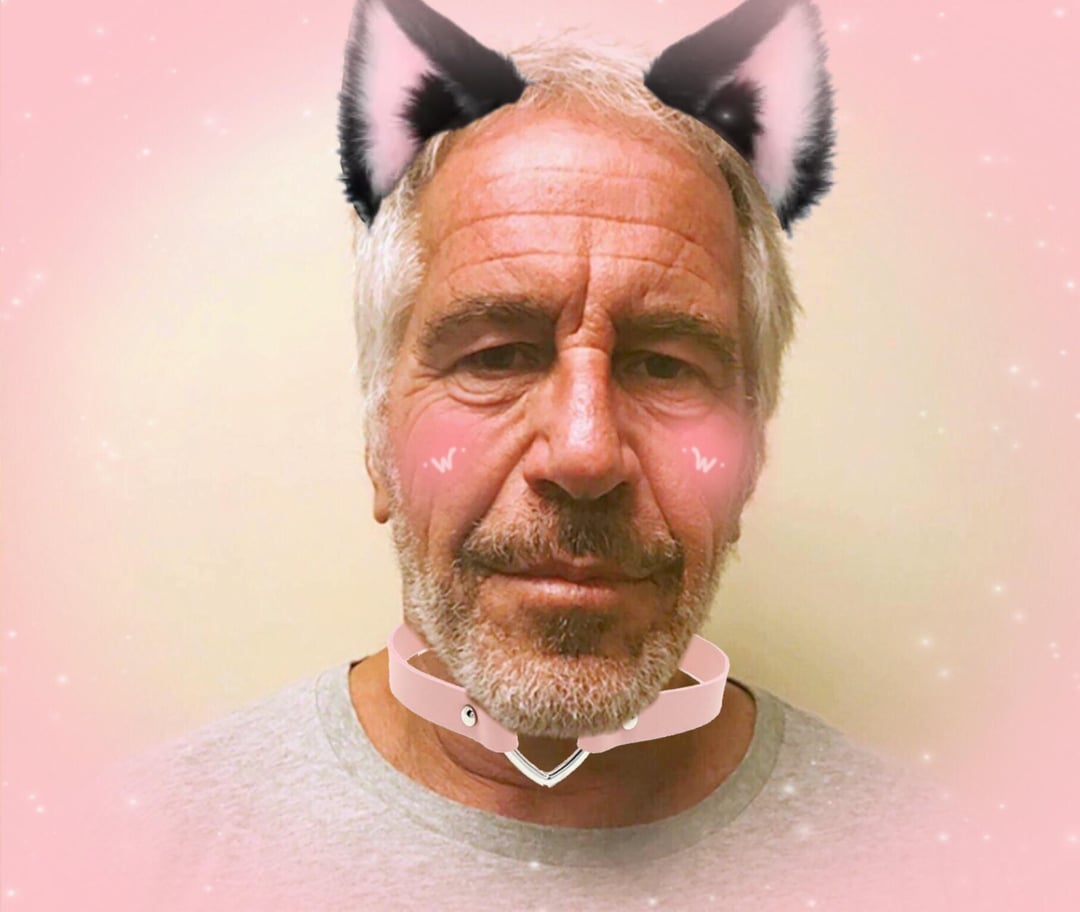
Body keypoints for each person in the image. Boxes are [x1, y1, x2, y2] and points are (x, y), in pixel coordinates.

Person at [67, 0, 1008, 909]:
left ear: (752, 450)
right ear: (379, 438)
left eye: (664, 365)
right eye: (497, 357)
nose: (585, 452)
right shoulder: (119, 863)